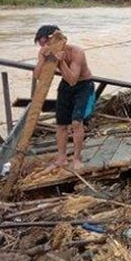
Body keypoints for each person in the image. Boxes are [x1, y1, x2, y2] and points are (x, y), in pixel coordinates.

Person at [33, 24, 95, 170]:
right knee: (61, 124)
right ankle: (61, 158)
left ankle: (76, 158)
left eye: (47, 44)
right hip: (65, 85)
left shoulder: (76, 52)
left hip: (83, 85)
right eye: (42, 46)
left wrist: (60, 62)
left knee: (76, 122)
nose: (45, 48)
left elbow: (73, 79)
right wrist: (42, 58)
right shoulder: (46, 52)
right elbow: (37, 76)